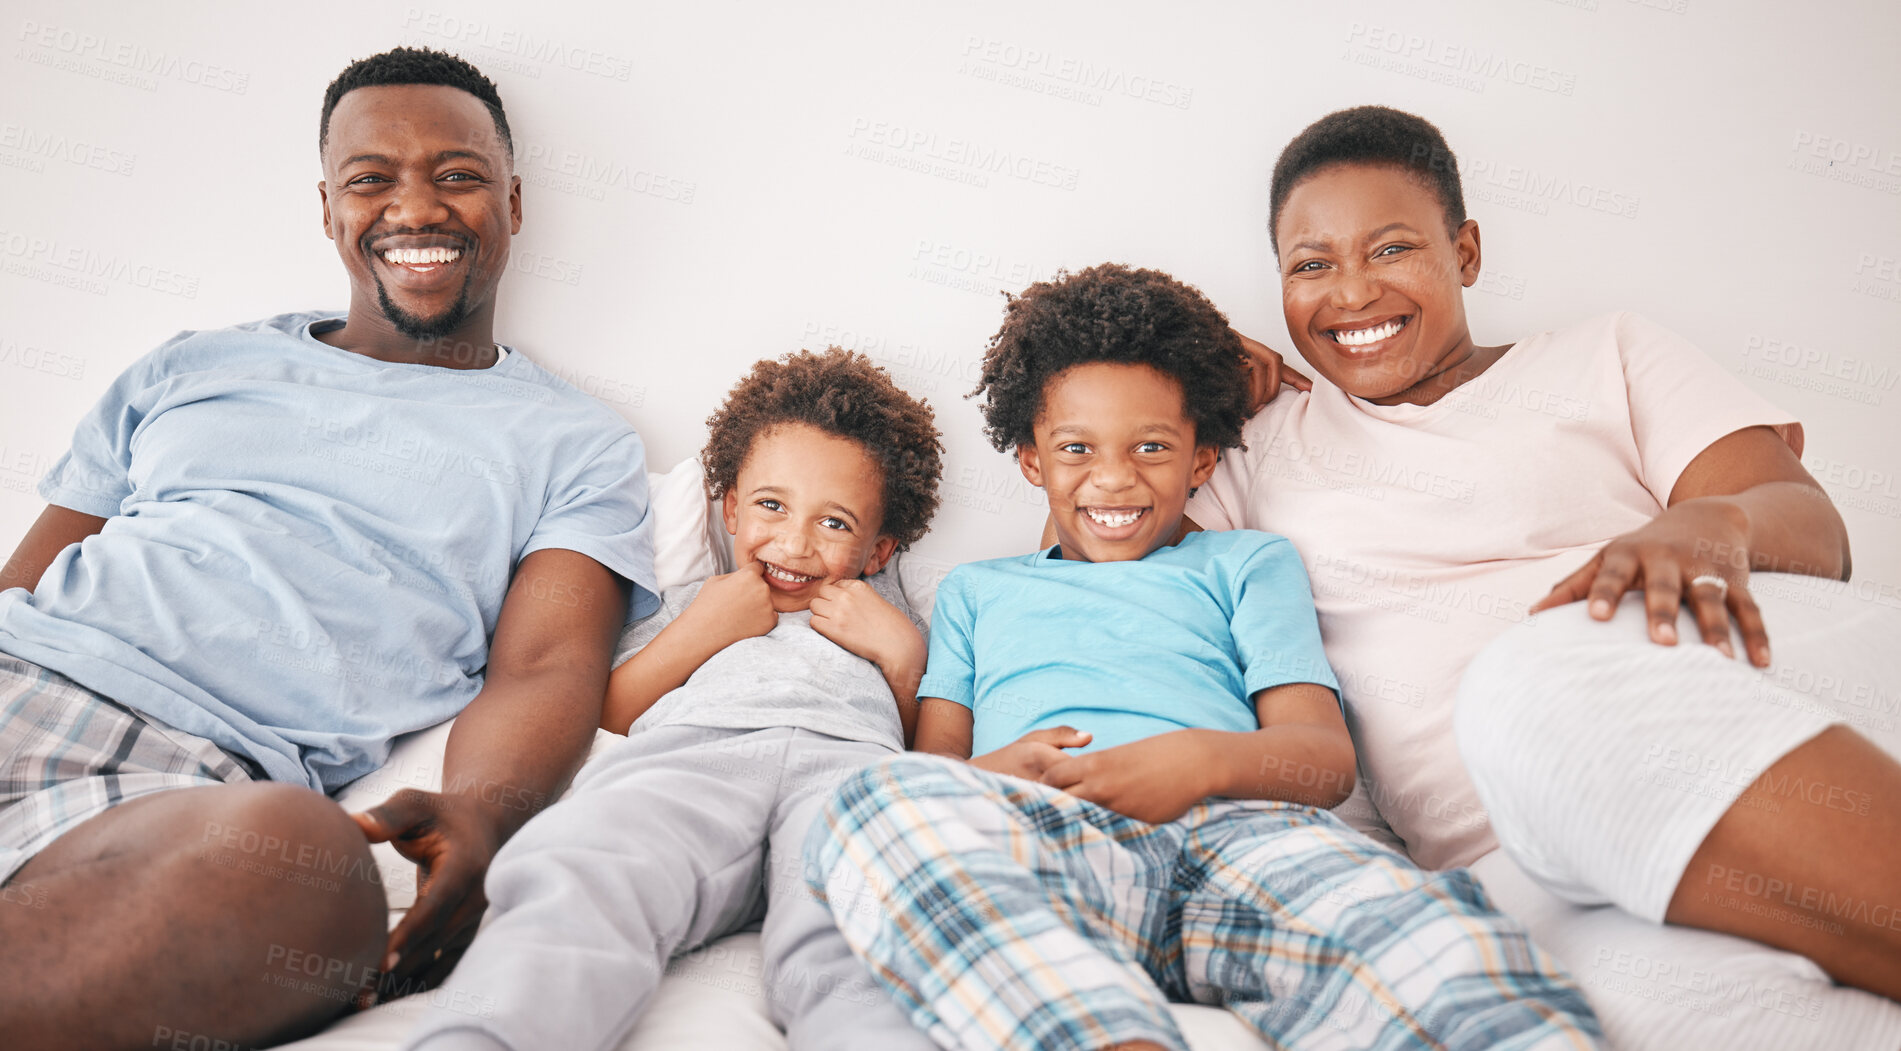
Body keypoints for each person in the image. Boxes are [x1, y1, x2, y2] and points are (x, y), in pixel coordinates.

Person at [0, 47, 656, 1048]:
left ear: (512, 202)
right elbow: (27, 575)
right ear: (328, 209)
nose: (415, 207)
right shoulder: (193, 363)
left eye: (457, 174)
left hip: (183, 787)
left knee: (311, 882)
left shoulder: (576, 443)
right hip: (22, 674)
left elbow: (544, 666)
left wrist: (481, 814)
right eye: (371, 179)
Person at [1199, 105, 1901, 1006]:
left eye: (1390, 249)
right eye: (1309, 265)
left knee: (1529, 685)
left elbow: (1812, 524)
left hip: (1728, 688)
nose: (1350, 293)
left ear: (1466, 252)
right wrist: (1178, 381)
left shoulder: (1605, 352)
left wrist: (1707, 523)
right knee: (1670, 1017)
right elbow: (1107, 579)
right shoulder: (1255, 448)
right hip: (1513, 854)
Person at [805, 264, 1602, 1051]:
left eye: (1150, 446)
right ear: (1030, 461)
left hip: (1240, 837)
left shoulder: (1247, 564)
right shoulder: (977, 590)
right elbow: (935, 770)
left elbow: (1322, 762)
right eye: (1075, 448)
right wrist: (1006, 768)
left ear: (1200, 460)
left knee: (1423, 928)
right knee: (866, 803)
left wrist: (1194, 762)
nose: (1112, 478)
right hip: (1052, 845)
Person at [404, 348, 944, 1051]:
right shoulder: (690, 599)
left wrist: (903, 660)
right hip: (692, 759)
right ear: (728, 509)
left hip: (847, 777)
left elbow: (935, 752)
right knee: (589, 863)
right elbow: (609, 711)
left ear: (878, 550)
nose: (794, 542)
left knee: (871, 909)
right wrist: (699, 632)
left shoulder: (898, 617)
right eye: (771, 506)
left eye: (834, 523)